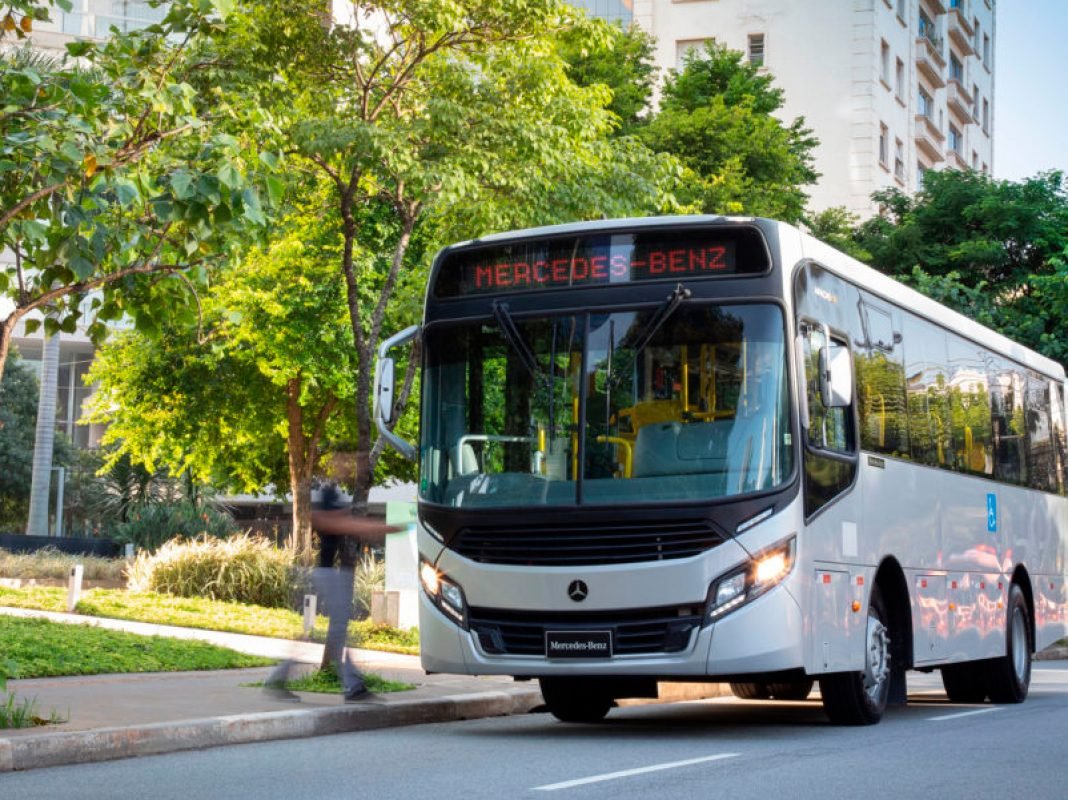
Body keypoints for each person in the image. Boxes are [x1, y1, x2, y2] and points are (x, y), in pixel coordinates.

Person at [264, 484, 401, 702]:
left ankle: (350, 685)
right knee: (337, 630)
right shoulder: (327, 499)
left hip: (332, 574)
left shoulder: (333, 497)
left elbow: (342, 523)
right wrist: (381, 528)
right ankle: (352, 687)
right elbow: (333, 522)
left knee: (336, 631)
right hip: (328, 574)